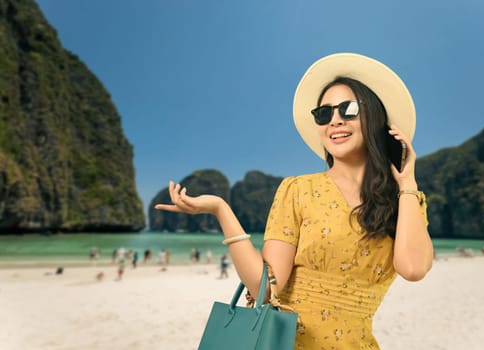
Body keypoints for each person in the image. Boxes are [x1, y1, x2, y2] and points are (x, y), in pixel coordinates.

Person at [155, 53, 434, 349]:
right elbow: (266, 289)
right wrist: (221, 210)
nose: (335, 120)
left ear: (375, 117)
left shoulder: (405, 200)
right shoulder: (297, 190)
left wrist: (407, 184)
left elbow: (413, 268)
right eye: (324, 114)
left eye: (348, 109)